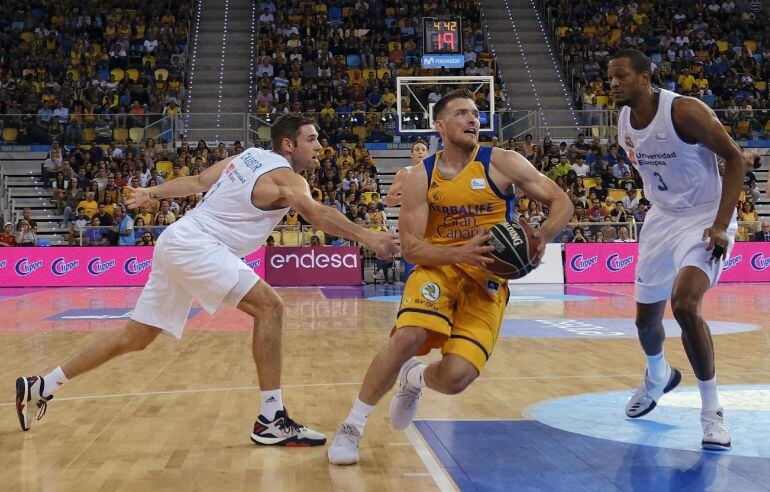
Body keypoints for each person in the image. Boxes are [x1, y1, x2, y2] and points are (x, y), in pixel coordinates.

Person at [16, 115, 397, 449]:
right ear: (288, 144)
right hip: (198, 245)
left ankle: (43, 385)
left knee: (137, 336)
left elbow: (197, 181)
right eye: (311, 139)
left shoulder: (245, 157)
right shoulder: (289, 178)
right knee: (270, 307)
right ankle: (271, 419)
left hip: (177, 239)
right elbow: (317, 214)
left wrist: (151, 191)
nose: (319, 146)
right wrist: (367, 236)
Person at [327, 90, 573, 465]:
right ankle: (352, 425)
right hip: (437, 268)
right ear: (439, 125)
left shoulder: (503, 162)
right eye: (461, 113)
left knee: (458, 376)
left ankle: (414, 381)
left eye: (476, 113)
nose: (473, 119)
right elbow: (410, 247)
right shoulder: (418, 177)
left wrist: (542, 235)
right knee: (408, 336)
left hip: (487, 281)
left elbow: (561, 201)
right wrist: (461, 253)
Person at [610, 49, 751, 450]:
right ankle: (658, 376)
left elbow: (736, 159)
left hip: (704, 218)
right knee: (645, 323)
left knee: (686, 305)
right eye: (611, 78)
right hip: (661, 218)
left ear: (645, 77)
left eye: (621, 76)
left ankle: (712, 413)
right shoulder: (622, 121)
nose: (613, 84)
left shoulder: (684, 111)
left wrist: (722, 226)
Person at [384, 141, 428, 207]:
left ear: (427, 154)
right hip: (410, 214)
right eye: (417, 150)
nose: (420, 152)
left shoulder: (435, 173)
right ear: (412, 154)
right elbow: (389, 201)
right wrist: (406, 196)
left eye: (423, 150)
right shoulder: (404, 173)